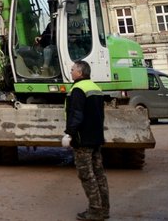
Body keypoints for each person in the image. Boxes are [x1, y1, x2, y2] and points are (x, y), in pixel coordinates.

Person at [63, 61, 110, 221]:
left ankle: (95, 211)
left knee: (86, 175)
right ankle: (104, 209)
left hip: (83, 140)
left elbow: (76, 114)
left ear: (80, 73)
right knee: (99, 174)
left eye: (73, 70)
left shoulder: (77, 90)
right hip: (96, 137)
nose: (71, 72)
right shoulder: (95, 88)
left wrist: (69, 134)